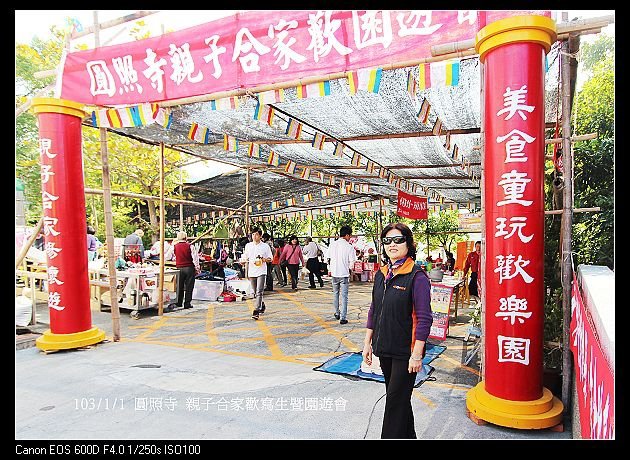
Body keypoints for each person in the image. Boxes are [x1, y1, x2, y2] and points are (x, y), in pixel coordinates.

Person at [362, 222, 433, 439]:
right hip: (384, 349)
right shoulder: (381, 274)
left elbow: (424, 318)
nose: (392, 245)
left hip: (406, 353)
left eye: (398, 240)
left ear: (408, 243)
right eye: (387, 241)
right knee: (400, 401)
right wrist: (367, 343)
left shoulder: (417, 276)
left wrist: (417, 354)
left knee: (394, 404)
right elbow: (374, 309)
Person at [327, 225, 356, 324]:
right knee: (344, 296)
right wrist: (351, 270)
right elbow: (352, 262)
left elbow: (328, 259)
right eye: (350, 235)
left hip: (334, 273)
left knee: (335, 294)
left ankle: (337, 313)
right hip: (344, 274)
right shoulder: (349, 247)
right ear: (347, 235)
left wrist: (330, 269)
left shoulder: (332, 245)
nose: (350, 238)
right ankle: (343, 317)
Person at [243, 228, 273, 320]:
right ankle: (261, 304)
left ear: (260, 236)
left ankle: (256, 311)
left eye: (256, 234)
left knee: (259, 291)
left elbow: (270, 258)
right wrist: (243, 261)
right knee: (256, 291)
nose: (254, 236)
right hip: (252, 271)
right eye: (252, 235)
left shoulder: (265, 246)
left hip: (261, 271)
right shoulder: (248, 246)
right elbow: (245, 256)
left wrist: (264, 259)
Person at [165, 231, 200, 310]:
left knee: (179, 286)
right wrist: (197, 268)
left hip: (179, 268)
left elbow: (167, 257)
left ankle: (179, 302)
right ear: (186, 238)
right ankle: (187, 303)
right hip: (189, 268)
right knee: (189, 286)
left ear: (177, 238)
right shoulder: (190, 246)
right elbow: (195, 258)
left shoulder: (174, 246)